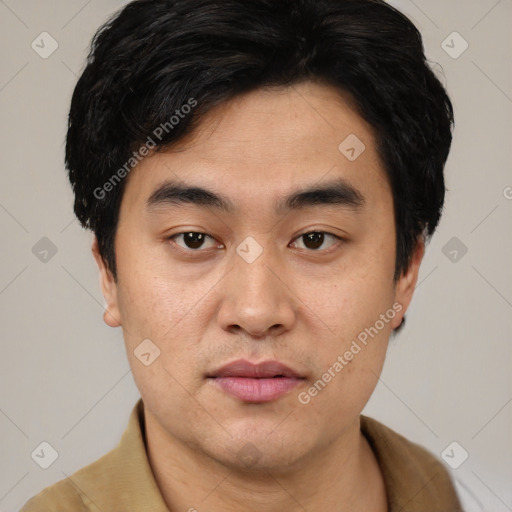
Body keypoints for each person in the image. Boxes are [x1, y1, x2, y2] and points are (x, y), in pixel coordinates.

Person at [21, 0, 463, 510]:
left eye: (315, 239)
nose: (256, 313)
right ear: (108, 273)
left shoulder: (452, 493)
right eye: (193, 239)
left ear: (405, 270)